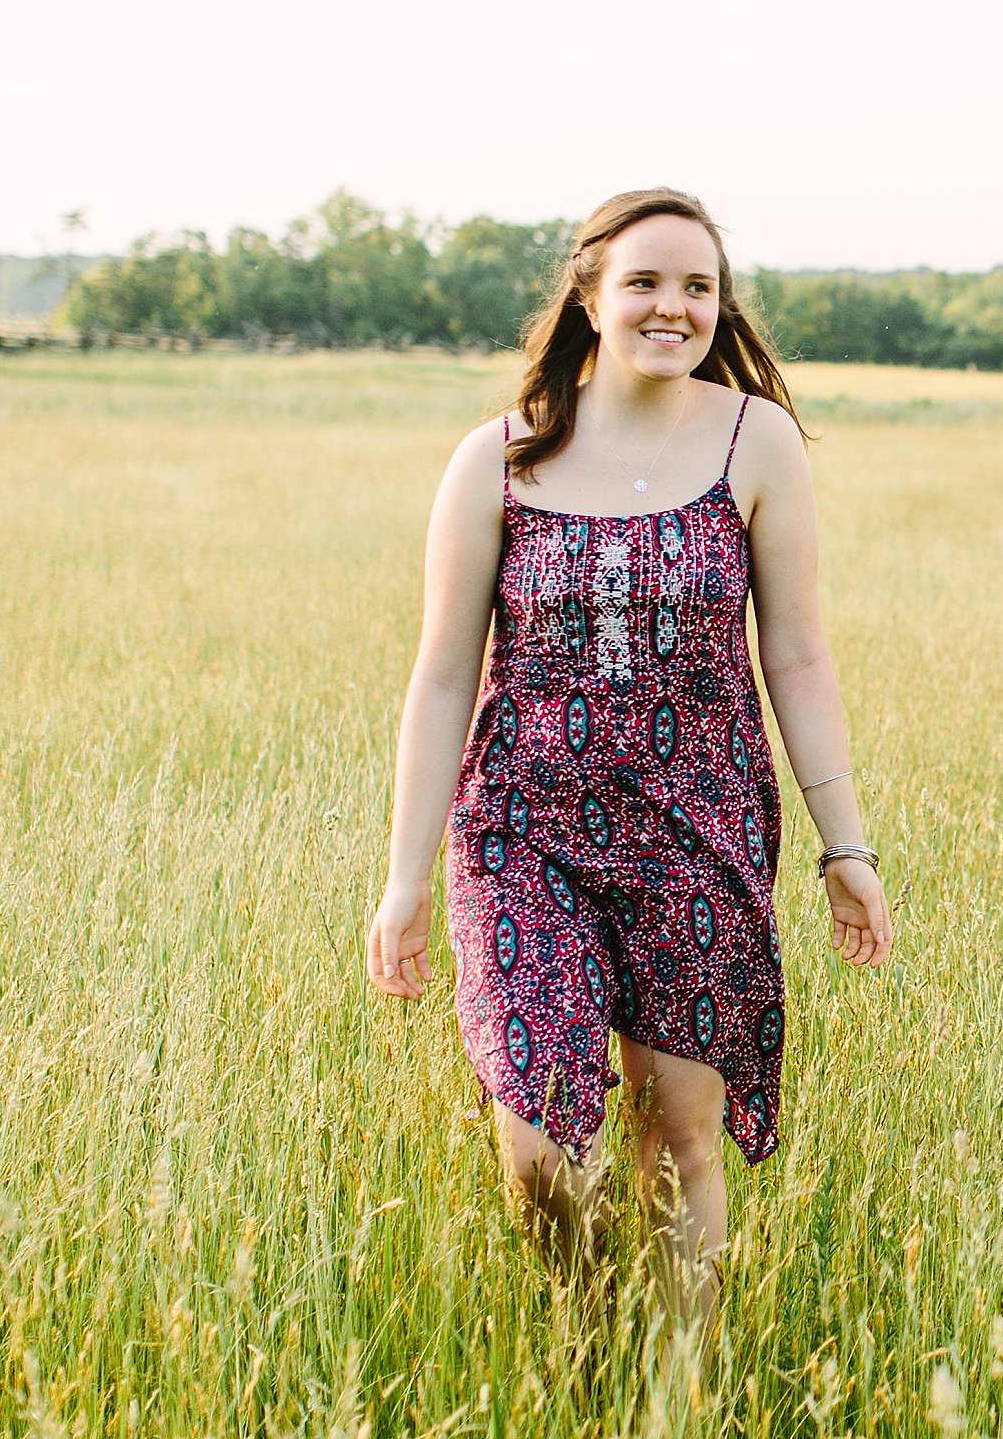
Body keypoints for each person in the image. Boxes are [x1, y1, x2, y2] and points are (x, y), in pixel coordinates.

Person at [365, 188, 892, 1329]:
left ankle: (679, 1400)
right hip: (519, 827)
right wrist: (404, 879)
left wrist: (842, 844)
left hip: (698, 824)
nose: (674, 305)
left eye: (698, 285)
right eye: (646, 281)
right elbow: (444, 674)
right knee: (540, 1139)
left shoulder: (757, 440)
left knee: (680, 1138)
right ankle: (594, 1339)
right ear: (592, 297)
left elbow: (796, 655)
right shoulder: (499, 456)